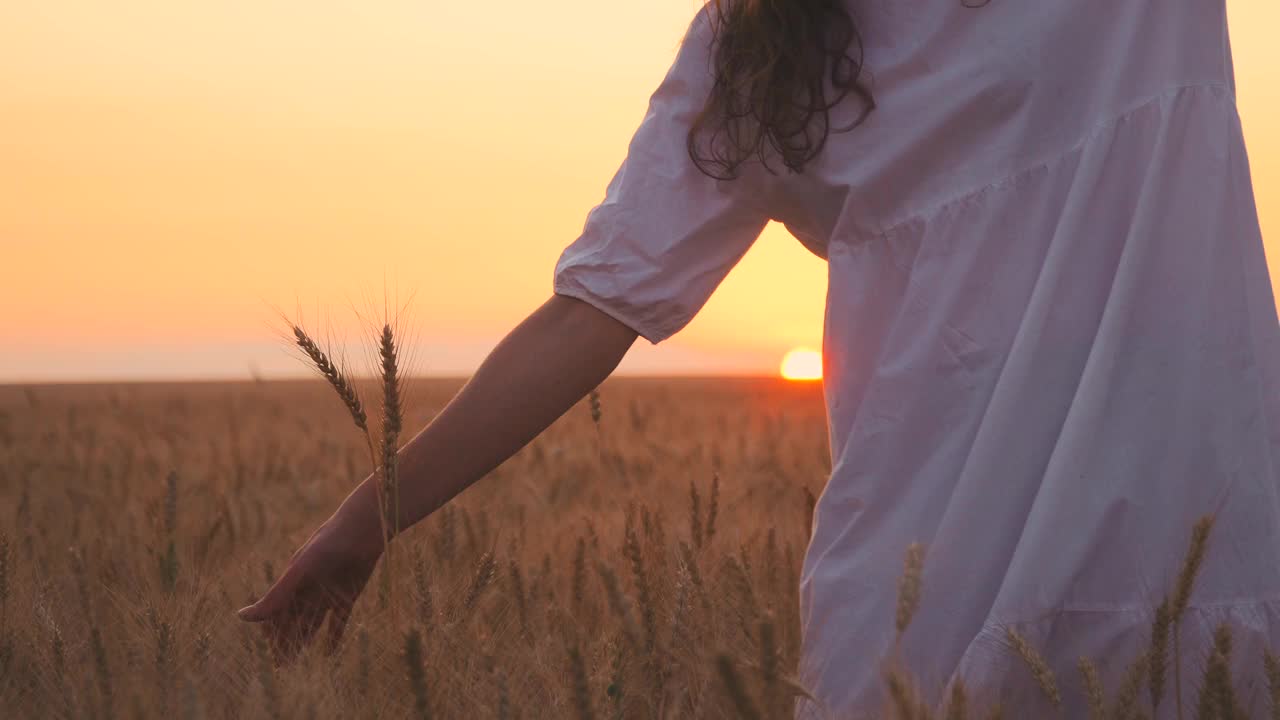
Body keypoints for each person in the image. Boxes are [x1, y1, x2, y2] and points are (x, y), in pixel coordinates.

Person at [240, 0, 1280, 716]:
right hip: (923, 601)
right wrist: (361, 525)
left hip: (1174, 568)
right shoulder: (752, 49)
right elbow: (589, 311)